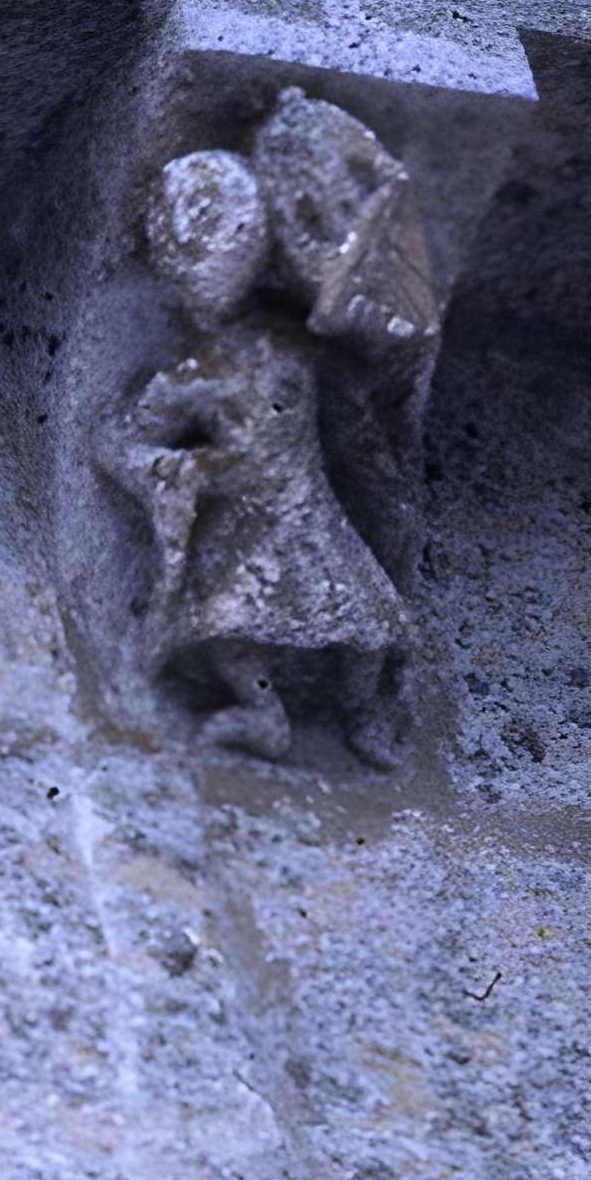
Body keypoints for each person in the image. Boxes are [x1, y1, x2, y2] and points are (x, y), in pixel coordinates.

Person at [102, 148, 409, 765]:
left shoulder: (292, 342)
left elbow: (353, 404)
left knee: (369, 627)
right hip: (241, 518)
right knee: (227, 631)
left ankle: (361, 714)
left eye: (225, 247)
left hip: (311, 509)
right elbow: (116, 441)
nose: (207, 274)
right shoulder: (193, 375)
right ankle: (263, 713)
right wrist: (171, 470)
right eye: (191, 259)